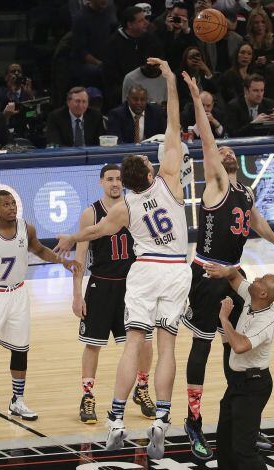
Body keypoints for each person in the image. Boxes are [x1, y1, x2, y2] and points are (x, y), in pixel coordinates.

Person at [55, 57, 188, 460]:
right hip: (175, 270)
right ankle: (161, 422)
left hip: (142, 273)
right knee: (165, 348)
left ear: (124, 182)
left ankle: (115, 420)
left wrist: (70, 237)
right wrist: (168, 80)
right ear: (149, 172)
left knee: (133, 344)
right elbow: (174, 126)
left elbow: (93, 232)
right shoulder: (167, 181)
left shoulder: (124, 208)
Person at [180, 71, 274, 460]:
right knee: (202, 347)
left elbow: (256, 219)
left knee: (240, 346)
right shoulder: (216, 183)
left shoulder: (244, 191)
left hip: (233, 273)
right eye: (221, 149)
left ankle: (242, 418)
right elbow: (208, 139)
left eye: (229, 149)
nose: (224, 150)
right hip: (206, 272)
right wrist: (197, 99)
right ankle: (193, 423)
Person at [0, 189, 77, 427]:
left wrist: (63, 261)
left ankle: (17, 401)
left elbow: (39, 249)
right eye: (5, 204)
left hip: (17, 294)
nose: (11, 207)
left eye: (13, 203)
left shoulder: (27, 229)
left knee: (21, 349)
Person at [72, 164, 156, 424]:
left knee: (144, 342)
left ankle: (142, 389)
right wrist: (77, 294)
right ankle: (87, 396)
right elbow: (81, 256)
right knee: (93, 345)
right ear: (101, 182)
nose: (115, 183)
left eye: (119, 179)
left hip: (132, 286)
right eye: (110, 179)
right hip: (101, 285)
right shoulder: (91, 213)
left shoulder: (135, 206)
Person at [203, 262, 274, 470]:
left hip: (253, 387)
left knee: (243, 449)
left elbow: (239, 346)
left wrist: (224, 318)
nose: (255, 280)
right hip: (238, 383)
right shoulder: (252, 296)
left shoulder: (266, 321)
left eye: (260, 281)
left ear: (264, 294)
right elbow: (234, 277)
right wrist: (224, 270)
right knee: (225, 443)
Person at [103, 5, 164, 109]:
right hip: (123, 88)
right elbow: (111, 77)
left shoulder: (150, 38)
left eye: (145, 19)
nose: (146, 23)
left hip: (148, 83)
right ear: (130, 24)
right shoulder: (113, 44)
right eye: (141, 21)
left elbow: (159, 62)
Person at [245, 7, 274, 73]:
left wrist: (269, 61)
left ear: (267, 23)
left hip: (272, 74)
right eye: (256, 22)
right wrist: (255, 63)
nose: (260, 25)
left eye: (263, 22)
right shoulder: (246, 41)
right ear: (251, 25)